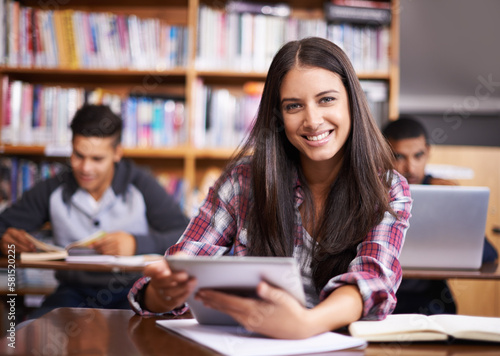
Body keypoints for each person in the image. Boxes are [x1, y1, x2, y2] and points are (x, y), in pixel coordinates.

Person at [128, 37, 412, 339]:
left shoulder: (388, 188)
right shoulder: (242, 181)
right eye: (293, 106)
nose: (313, 120)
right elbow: (181, 266)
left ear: (352, 103)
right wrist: (164, 292)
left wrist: (305, 324)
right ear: (277, 115)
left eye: (326, 99)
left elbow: (371, 279)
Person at [0, 104, 190, 318]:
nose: (85, 168)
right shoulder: (53, 187)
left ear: (117, 153)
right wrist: (3, 240)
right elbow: (3, 225)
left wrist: (136, 243)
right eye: (78, 156)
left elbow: (185, 235)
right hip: (72, 294)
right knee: (27, 337)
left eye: (97, 159)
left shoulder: (141, 184)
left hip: (134, 295)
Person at [383, 116, 498, 315]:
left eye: (418, 155)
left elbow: (487, 254)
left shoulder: (443, 191)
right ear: (382, 154)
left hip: (432, 302)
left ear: (428, 152)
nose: (411, 168)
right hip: (384, 296)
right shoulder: (372, 193)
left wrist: (457, 205)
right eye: (399, 157)